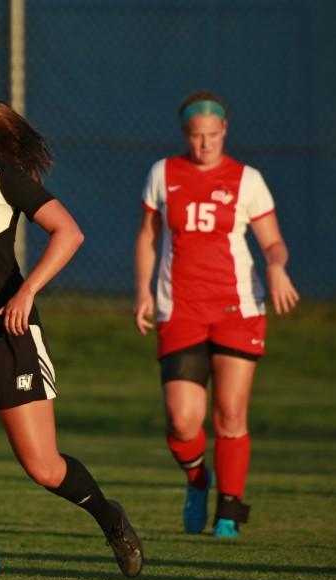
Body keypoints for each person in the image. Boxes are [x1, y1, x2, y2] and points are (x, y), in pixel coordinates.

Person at [0, 87, 144, 580]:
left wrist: (27, 290)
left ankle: (109, 516)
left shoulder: (0, 178)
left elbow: (68, 232)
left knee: (42, 466)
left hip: (9, 337)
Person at [134, 91, 299, 539]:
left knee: (230, 412)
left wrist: (278, 266)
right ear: (184, 134)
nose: (204, 144)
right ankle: (197, 479)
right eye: (195, 136)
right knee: (183, 419)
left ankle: (229, 512)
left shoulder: (248, 180)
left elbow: (272, 242)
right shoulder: (163, 173)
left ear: (225, 130)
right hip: (180, 309)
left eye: (212, 135)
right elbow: (148, 238)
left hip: (237, 308)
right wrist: (144, 293)